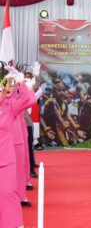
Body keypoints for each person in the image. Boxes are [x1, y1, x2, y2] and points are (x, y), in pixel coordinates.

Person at [0, 67, 36, 228]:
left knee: (8, 192)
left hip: (5, 159)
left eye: (3, 89)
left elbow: (31, 100)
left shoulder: (10, 107)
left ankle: (15, 224)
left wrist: (21, 82)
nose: (2, 91)